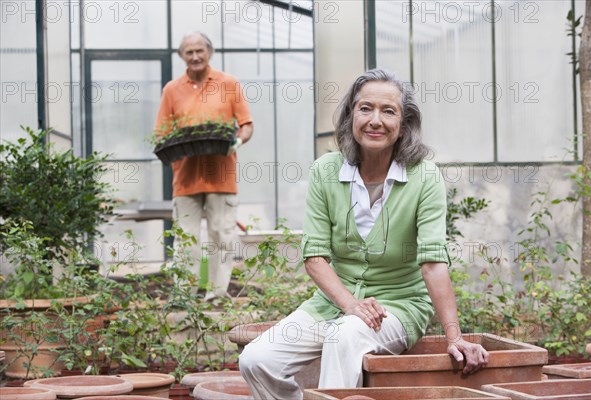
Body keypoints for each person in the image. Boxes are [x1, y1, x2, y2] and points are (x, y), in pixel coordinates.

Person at [239, 69, 488, 399]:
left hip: (399, 307)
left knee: (344, 336)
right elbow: (315, 256)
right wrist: (351, 304)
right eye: (365, 108)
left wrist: (454, 336)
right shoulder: (325, 171)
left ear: (403, 124)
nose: (375, 120)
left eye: (388, 111)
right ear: (350, 115)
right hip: (333, 304)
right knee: (256, 360)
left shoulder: (424, 177)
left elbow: (432, 263)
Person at [154, 32, 253, 300]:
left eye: (200, 51)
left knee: (221, 235)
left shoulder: (228, 83)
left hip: (221, 174)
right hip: (185, 178)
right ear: (182, 56)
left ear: (209, 52)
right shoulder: (172, 90)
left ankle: (218, 295)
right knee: (186, 240)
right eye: (189, 52)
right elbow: (162, 132)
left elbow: (246, 125)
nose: (195, 56)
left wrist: (237, 142)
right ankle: (184, 296)